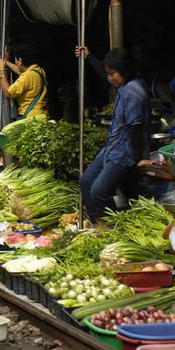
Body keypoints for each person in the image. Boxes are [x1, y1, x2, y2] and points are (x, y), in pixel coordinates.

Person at [76, 47, 149, 221]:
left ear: (124, 70)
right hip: (111, 147)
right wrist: (89, 57)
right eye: (108, 73)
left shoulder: (133, 91)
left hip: (124, 153)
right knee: (85, 181)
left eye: (112, 73)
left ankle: (113, 227)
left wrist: (138, 158)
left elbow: (135, 128)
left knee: (99, 192)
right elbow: (106, 74)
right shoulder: (124, 83)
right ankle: (98, 225)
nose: (109, 78)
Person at [0, 43, 48, 119]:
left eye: (16, 60)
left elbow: (8, 93)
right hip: (40, 114)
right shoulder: (39, 70)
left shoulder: (28, 76)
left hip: (31, 117)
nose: (16, 62)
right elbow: (21, 71)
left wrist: (1, 71)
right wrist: (5, 62)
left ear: (20, 60)